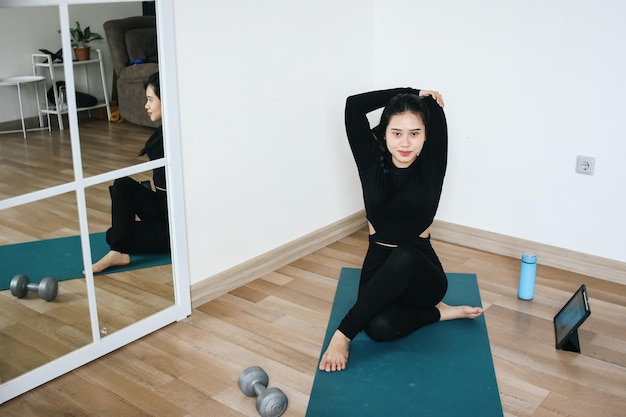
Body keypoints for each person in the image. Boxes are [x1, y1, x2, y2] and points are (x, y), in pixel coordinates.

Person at [319, 88, 484, 372]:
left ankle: (343, 334)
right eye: (396, 133)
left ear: (425, 136)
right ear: (384, 133)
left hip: (422, 274)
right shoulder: (370, 161)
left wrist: (424, 98)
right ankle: (440, 313)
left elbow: (433, 106)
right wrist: (408, 90)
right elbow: (353, 106)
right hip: (378, 262)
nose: (405, 142)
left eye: (414, 133)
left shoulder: (431, 164)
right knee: (379, 328)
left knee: (404, 255)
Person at [91, 72, 170, 273]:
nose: (146, 105)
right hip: (162, 209)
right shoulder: (160, 136)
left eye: (151, 100)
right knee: (122, 184)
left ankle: (118, 248)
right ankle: (119, 250)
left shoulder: (177, 138)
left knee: (113, 234)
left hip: (179, 225)